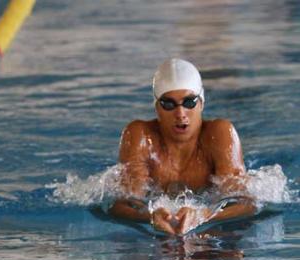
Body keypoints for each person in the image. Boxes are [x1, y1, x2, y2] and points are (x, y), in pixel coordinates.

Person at [108, 58, 255, 235]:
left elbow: (246, 204)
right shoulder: (141, 136)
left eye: (189, 102)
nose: (180, 113)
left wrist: (205, 215)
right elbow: (123, 204)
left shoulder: (219, 135)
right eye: (168, 104)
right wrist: (150, 217)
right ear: (157, 107)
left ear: (201, 103)